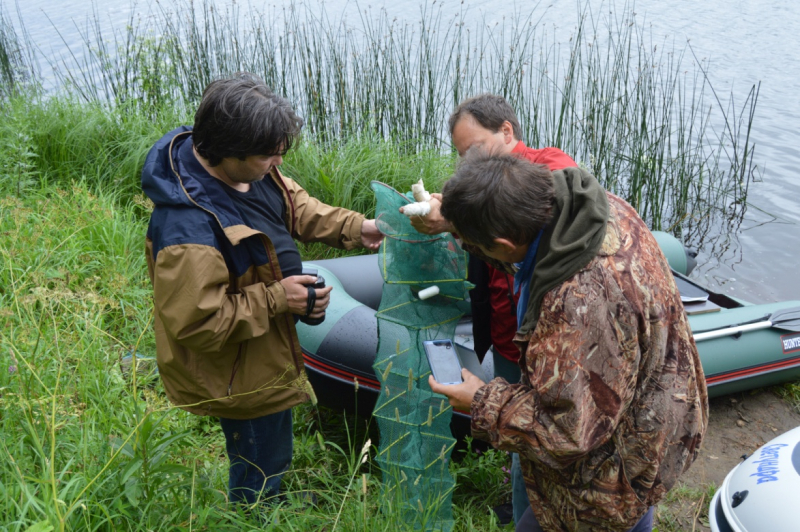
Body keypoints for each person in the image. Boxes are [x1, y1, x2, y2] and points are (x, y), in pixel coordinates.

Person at [429, 150, 708, 532]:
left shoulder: (579, 301)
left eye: (480, 245)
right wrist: (458, 220)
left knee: (620, 515)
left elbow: (569, 431)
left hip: (614, 473)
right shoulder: (595, 207)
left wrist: (482, 400)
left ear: (505, 242)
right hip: (649, 420)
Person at [142, 73, 383, 507]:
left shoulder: (249, 172)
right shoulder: (187, 230)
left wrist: (357, 227)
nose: (277, 163)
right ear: (229, 152)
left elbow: (295, 206)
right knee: (258, 449)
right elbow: (196, 323)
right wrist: (280, 298)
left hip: (264, 344)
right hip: (237, 370)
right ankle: (258, 511)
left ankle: (269, 492)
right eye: (268, 157)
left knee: (274, 438)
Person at [403, 93, 578, 524]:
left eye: (475, 150)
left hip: (543, 339)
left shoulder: (550, 166)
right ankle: (521, 498)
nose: (468, 163)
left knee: (537, 431)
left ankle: (527, 508)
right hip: (505, 334)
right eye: (462, 157)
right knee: (519, 434)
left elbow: (543, 217)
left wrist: (459, 218)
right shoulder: (483, 189)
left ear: (507, 131)